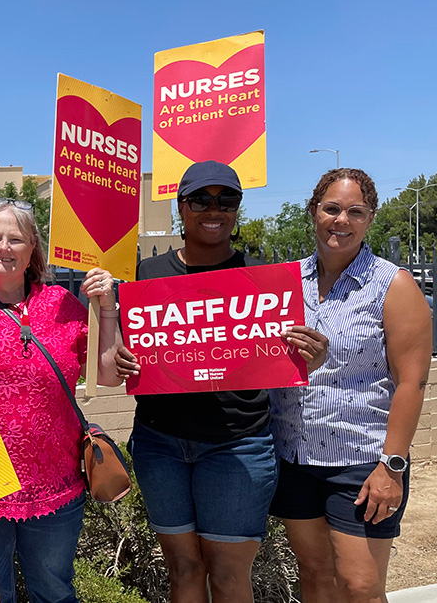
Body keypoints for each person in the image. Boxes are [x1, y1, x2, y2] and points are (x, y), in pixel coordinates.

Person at [111, 161, 328, 603]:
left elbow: (287, 356)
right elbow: (118, 358)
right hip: (160, 443)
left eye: (226, 199)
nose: (214, 209)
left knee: (229, 578)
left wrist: (314, 355)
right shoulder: (146, 277)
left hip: (238, 447)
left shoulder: (264, 278)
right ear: (181, 206)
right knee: (183, 569)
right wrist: (122, 357)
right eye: (200, 199)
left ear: (237, 208)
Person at [268, 168, 430, 603]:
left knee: (361, 587)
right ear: (314, 212)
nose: (342, 220)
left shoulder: (392, 285)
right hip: (294, 454)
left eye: (355, 211)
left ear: (370, 219)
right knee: (316, 575)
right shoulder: (282, 283)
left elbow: (411, 383)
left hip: (362, 460)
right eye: (332, 209)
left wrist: (391, 467)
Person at [0, 199, 122, 603]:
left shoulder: (62, 305)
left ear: (34, 250)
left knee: (54, 592)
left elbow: (109, 375)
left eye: (16, 239)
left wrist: (106, 307)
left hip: (57, 486)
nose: (4, 247)